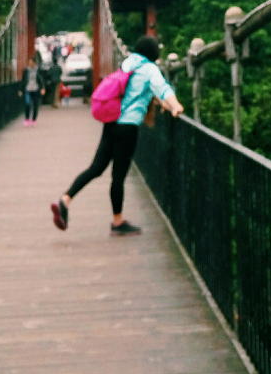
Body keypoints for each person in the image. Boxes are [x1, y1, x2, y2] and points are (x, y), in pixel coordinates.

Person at [52, 35, 182, 236]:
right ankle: (117, 221)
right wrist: (175, 105)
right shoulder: (150, 69)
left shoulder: (129, 63)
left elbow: (138, 91)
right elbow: (162, 88)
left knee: (96, 168)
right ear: (154, 54)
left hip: (112, 122)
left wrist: (163, 104)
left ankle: (65, 199)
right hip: (128, 127)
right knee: (118, 177)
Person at [22, 58, 42, 123]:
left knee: (35, 105)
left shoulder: (38, 70)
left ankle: (34, 119)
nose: (30, 64)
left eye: (31, 62)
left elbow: (41, 79)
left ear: (34, 63)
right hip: (28, 89)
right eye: (29, 62)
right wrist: (20, 89)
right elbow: (23, 80)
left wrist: (42, 88)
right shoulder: (26, 70)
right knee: (27, 104)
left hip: (35, 89)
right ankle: (27, 118)